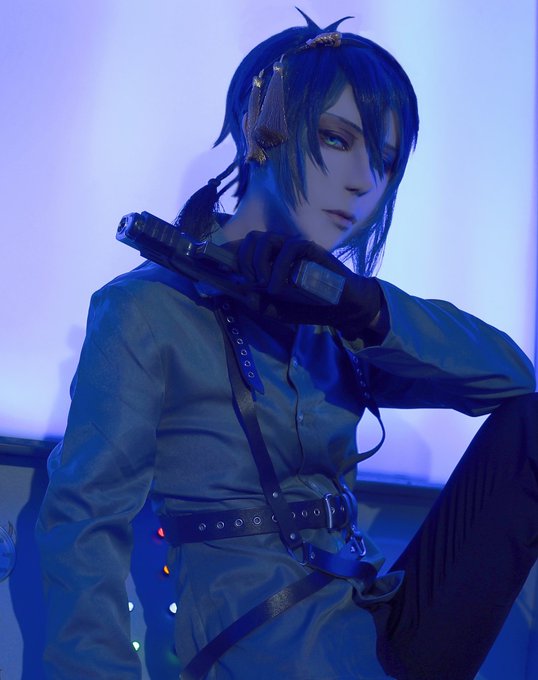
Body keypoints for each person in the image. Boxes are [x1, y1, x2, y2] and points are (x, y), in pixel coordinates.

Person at [36, 10, 537, 680]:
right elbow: (82, 526)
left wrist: (364, 306)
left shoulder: (340, 321)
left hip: (381, 623)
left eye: (385, 161)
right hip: (270, 646)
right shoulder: (147, 310)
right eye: (337, 138)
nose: (364, 180)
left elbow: (515, 382)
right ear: (260, 125)